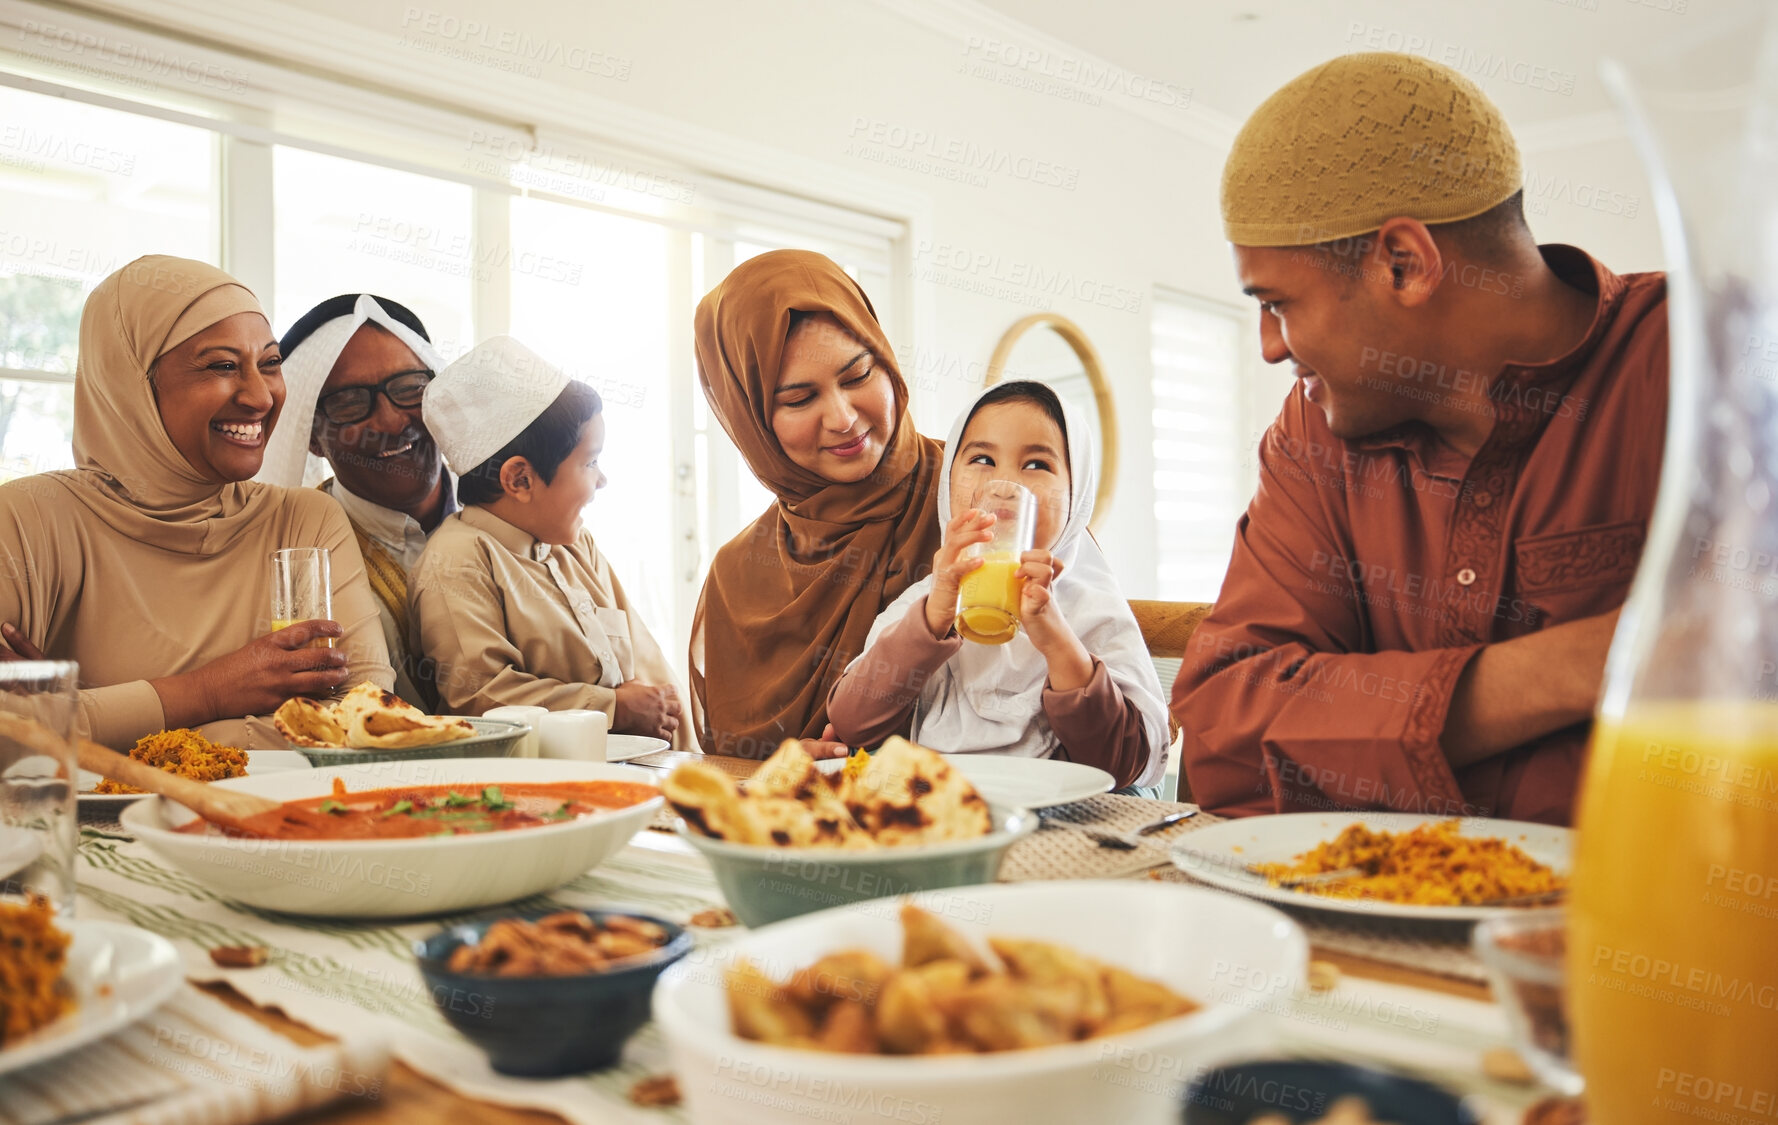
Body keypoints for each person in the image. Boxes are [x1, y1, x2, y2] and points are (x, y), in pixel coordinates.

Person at [1172, 53, 1668, 826]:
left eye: (1277, 303)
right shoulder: (1315, 431)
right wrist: (1577, 667)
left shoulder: (1715, 370)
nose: (1269, 346)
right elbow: (1224, 742)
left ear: (1404, 265)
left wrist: (1355, 725)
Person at [0, 256, 393, 748]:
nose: (260, 397)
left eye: (269, 364)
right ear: (132, 385)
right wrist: (207, 692)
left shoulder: (303, 522)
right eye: (223, 366)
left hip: (278, 822)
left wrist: (78, 715)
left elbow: (368, 720)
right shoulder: (27, 521)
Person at [827, 380, 1168, 790]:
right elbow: (852, 725)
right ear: (948, 483)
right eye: (983, 459)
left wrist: (1058, 641)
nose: (1007, 486)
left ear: (1077, 497)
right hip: (943, 818)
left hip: (1065, 825)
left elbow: (1127, 764)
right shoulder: (924, 602)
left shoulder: (1092, 611)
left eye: (1037, 465)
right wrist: (931, 622)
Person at [691, 250, 945, 760]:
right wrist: (777, 770)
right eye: (799, 400)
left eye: (857, 376)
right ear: (750, 421)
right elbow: (730, 769)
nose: (844, 417)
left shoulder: (980, 502)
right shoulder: (737, 575)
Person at [409, 335, 690, 748]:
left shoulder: (576, 544)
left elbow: (649, 669)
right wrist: (613, 707)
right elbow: (478, 698)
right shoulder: (458, 558)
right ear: (519, 479)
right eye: (590, 461)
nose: (601, 479)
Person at [256, 293, 453, 710]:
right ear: (309, 437)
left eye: (410, 389)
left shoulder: (513, 508)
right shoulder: (300, 553)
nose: (391, 420)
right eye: (349, 402)